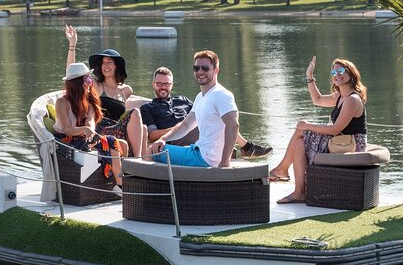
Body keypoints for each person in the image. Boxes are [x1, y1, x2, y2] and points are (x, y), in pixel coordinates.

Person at [270, 56, 368, 204]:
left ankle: (282, 169)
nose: (337, 75)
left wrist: (307, 125)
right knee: (298, 144)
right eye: (334, 73)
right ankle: (299, 192)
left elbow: (335, 129)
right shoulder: (340, 96)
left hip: (351, 144)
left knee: (302, 129)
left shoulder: (352, 99)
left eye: (341, 71)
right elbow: (318, 100)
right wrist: (309, 77)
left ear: (351, 73)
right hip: (338, 141)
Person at [140, 66, 272, 158]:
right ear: (153, 84)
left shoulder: (183, 100)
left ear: (172, 85)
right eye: (159, 84)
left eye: (167, 84)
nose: (163, 87)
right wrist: (180, 128)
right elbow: (152, 135)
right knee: (215, 121)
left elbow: (203, 112)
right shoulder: (148, 108)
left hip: (202, 137)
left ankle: (245, 148)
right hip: (176, 140)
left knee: (220, 117)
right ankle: (247, 147)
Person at [65, 25, 147, 157]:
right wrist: (72, 44)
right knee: (136, 113)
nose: (106, 66)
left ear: (117, 66)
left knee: (143, 128)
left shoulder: (126, 90)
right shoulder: (96, 85)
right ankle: (136, 162)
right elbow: (72, 74)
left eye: (109, 62)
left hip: (118, 128)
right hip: (100, 129)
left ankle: (142, 165)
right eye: (103, 63)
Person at [149, 50, 240, 167]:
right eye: (196, 68)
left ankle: (132, 184)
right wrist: (163, 139)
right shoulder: (200, 97)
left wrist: (225, 162)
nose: (200, 71)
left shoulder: (221, 94)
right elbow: (185, 126)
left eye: (205, 68)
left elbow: (233, 125)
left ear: (216, 70)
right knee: (159, 146)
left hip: (205, 158)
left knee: (151, 150)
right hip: (199, 151)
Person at [53, 62, 128, 188]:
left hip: (83, 136)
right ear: (76, 83)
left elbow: (90, 121)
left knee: (118, 143)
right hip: (65, 140)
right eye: (87, 78)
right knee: (110, 143)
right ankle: (119, 185)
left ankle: (119, 182)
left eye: (90, 78)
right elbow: (67, 130)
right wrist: (85, 130)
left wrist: (90, 132)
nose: (90, 82)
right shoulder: (62, 102)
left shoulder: (89, 100)